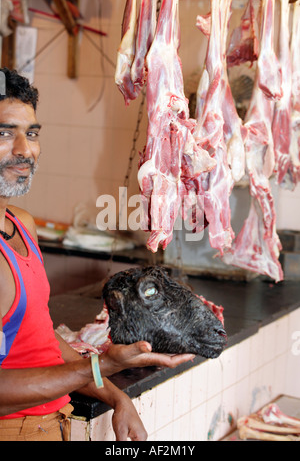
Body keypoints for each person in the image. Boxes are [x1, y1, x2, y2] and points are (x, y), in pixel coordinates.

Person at [0, 68, 194, 441]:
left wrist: (118, 397)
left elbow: (40, 340)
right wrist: (101, 364)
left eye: (32, 133)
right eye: (5, 133)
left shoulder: (21, 224)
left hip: (53, 423)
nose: (25, 149)